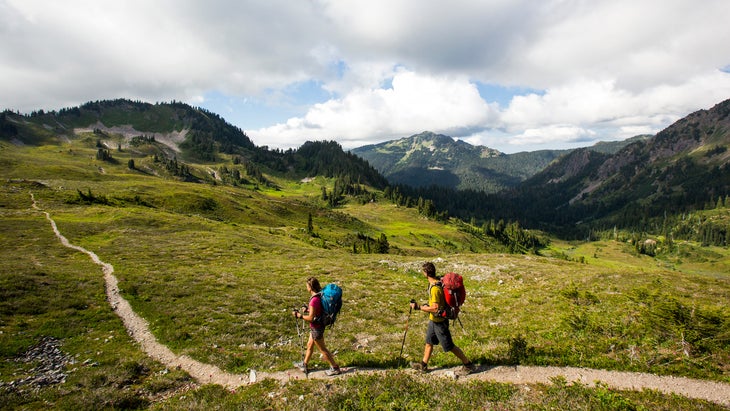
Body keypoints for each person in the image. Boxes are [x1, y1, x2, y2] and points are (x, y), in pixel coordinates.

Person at [410, 262, 475, 375]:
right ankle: (423, 365)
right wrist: (426, 305)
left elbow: (435, 308)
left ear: (425, 273)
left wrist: (419, 307)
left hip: (439, 322)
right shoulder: (437, 283)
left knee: (449, 346)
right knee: (429, 342)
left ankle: (468, 364)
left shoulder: (435, 288)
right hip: (434, 320)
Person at [292, 277, 341, 376]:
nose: (306, 288)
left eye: (307, 286)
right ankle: (304, 364)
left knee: (323, 349)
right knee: (309, 345)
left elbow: (311, 318)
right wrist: (308, 310)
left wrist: (299, 316)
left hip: (316, 328)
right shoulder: (319, 296)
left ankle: (335, 368)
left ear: (310, 287)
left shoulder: (313, 300)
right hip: (317, 326)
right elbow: (317, 312)